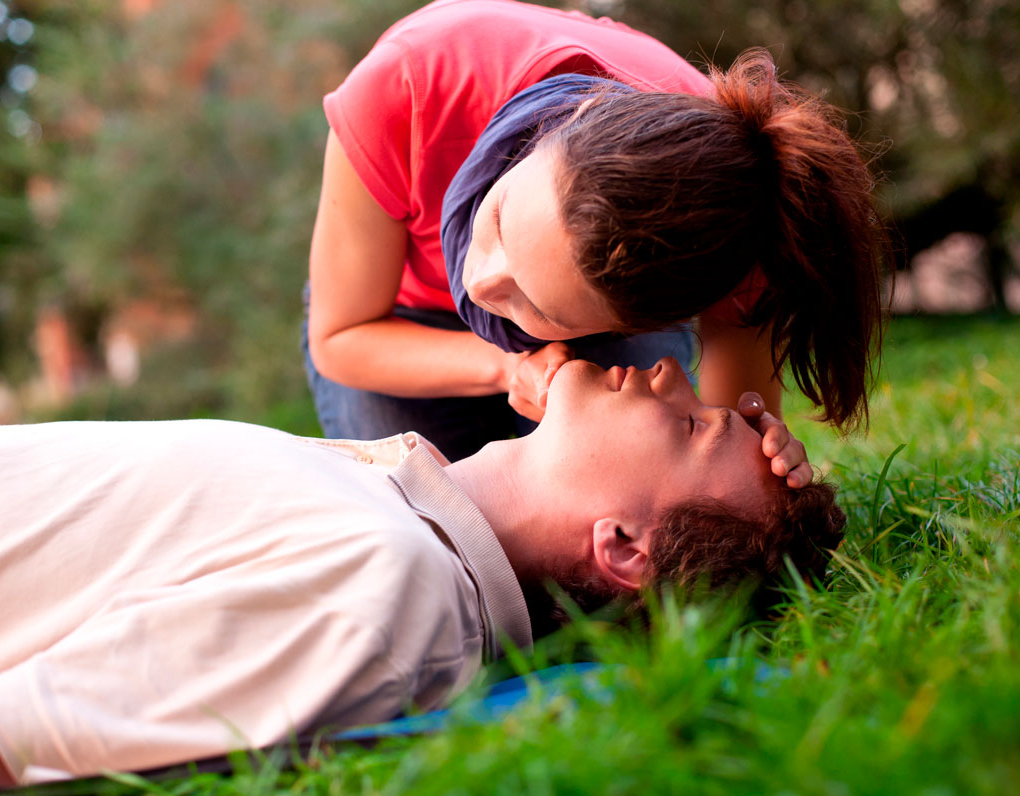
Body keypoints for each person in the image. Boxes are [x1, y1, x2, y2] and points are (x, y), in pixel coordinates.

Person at [0, 357, 845, 796]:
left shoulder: (387, 585)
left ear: (625, 544)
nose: (674, 377)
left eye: (688, 426)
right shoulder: (391, 510)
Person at [305, 0, 884, 471]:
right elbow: (341, 335)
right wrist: (507, 364)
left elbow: (728, 449)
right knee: (432, 521)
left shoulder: (737, 230)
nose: (478, 282)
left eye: (534, 303)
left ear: (641, 323)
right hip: (392, 323)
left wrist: (757, 466)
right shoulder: (407, 86)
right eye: (502, 218)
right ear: (561, 126)